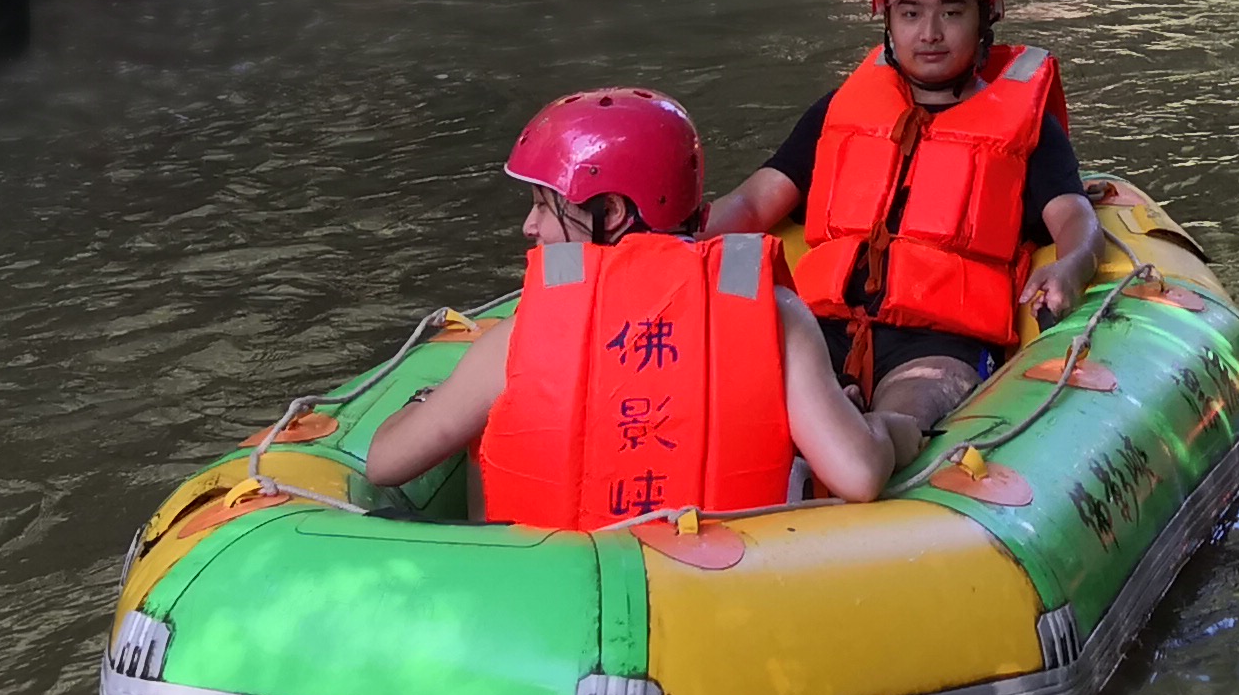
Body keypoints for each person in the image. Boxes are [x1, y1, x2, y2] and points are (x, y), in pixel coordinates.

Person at [360, 90, 894, 526]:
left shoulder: (526, 334)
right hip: (724, 594)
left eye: (544, 208)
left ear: (611, 211)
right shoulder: (774, 315)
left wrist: (427, 398)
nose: (530, 228)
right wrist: (890, 428)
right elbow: (858, 474)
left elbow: (385, 463)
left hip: (539, 607)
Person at [702, 0, 1106, 464]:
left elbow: (1073, 217)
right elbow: (754, 204)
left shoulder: (1027, 130)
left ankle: (872, 442)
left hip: (939, 342)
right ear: (888, 24)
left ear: (985, 19)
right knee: (742, 416)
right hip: (821, 329)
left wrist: (1072, 267)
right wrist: (682, 251)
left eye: (952, 13)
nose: (930, 33)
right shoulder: (839, 110)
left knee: (908, 414)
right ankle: (833, 437)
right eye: (910, 14)